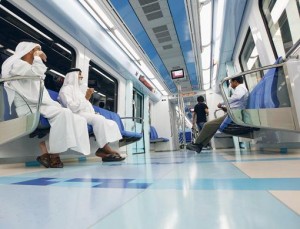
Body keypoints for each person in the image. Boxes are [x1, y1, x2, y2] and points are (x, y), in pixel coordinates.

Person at [1, 41, 90, 168]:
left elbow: (38, 74)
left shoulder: (29, 68)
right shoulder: (16, 65)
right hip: (29, 106)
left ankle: (47, 149)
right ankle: (54, 155)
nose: (40, 53)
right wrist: (37, 57)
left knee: (76, 118)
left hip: (40, 105)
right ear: (28, 51)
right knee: (63, 112)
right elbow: (37, 72)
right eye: (36, 50)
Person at [58, 68, 125, 162]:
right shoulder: (65, 90)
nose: (81, 77)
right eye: (79, 75)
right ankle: (104, 148)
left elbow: (87, 105)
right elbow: (71, 107)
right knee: (99, 119)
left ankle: (104, 148)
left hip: (84, 114)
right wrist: (86, 97)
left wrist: (92, 110)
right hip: (75, 114)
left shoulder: (79, 91)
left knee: (111, 123)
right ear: (72, 76)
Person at [187, 76, 249, 153]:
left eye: (231, 82)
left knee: (208, 126)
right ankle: (199, 145)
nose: (230, 84)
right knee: (211, 127)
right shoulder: (241, 88)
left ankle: (197, 144)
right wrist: (224, 108)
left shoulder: (240, 88)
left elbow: (237, 97)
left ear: (236, 82)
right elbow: (236, 104)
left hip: (234, 115)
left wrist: (222, 102)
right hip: (233, 113)